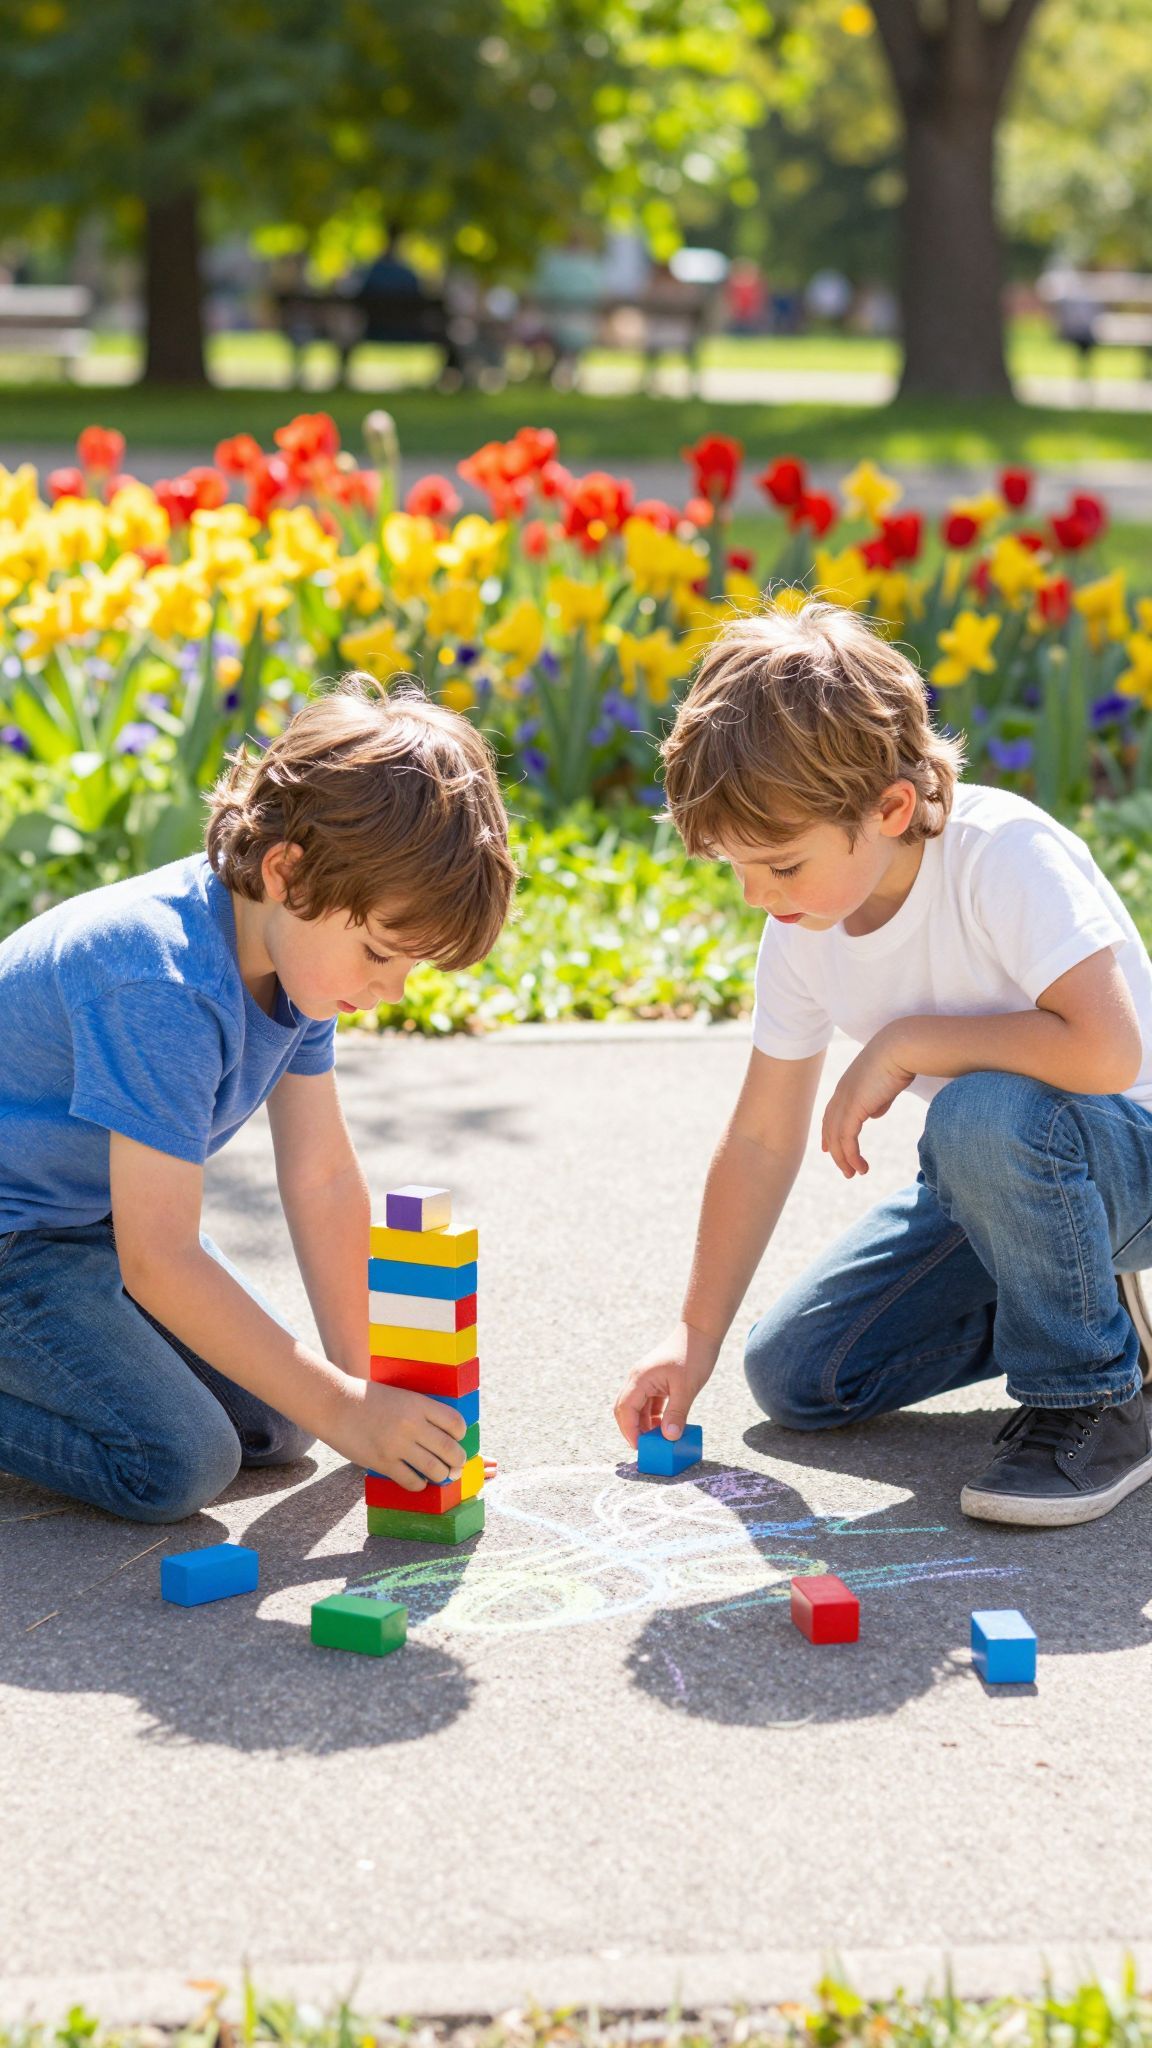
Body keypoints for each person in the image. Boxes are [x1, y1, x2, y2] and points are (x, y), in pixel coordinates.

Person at [615, 600, 1152, 1528]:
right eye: (736, 869)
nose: (757, 896)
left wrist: (909, 1041)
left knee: (978, 1111)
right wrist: (691, 1336)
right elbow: (758, 1136)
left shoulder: (1002, 855)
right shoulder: (804, 928)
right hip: (1013, 1189)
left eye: (779, 865)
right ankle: (1067, 1302)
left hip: (1129, 1165)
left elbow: (1108, 1053)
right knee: (798, 1373)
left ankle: (1094, 1396)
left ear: (890, 808)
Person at [0, 676, 516, 1524]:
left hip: (83, 1225)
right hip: (15, 1241)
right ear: (287, 873)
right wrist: (350, 1412)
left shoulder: (298, 960)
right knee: (178, 1461)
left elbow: (319, 1180)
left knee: (280, 1425)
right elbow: (159, 1258)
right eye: (382, 953)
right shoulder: (158, 981)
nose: (389, 990)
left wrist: (365, 1397)